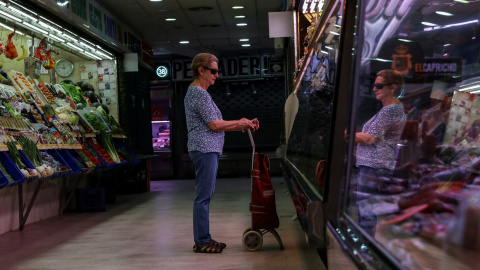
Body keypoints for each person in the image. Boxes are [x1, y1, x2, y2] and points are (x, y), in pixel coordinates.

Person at [184, 53, 260, 253]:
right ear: (201, 70)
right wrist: (240, 123)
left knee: (205, 195)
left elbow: (218, 125)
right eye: (214, 71)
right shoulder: (198, 93)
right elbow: (215, 125)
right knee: (203, 196)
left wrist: (244, 125)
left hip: (207, 149)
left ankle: (204, 237)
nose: (217, 75)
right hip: (204, 149)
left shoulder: (200, 93)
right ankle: (201, 241)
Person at [355, 69, 406, 236]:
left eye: (379, 86)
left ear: (392, 87)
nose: (374, 89)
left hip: (374, 165)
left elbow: (370, 138)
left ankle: (364, 248)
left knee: (366, 208)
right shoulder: (391, 109)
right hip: (375, 165)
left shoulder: (390, 110)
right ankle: (364, 244)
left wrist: (345, 134)